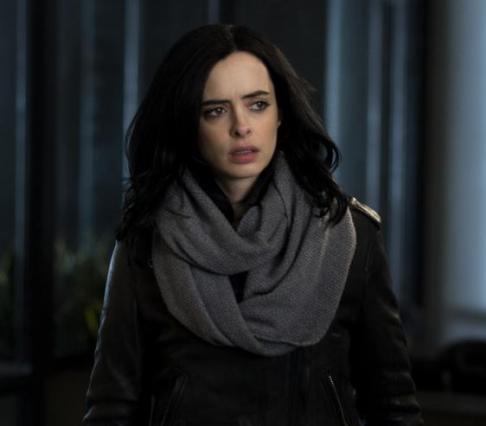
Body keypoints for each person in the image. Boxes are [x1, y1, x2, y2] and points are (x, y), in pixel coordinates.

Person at [82, 24, 423, 425]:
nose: (241, 126)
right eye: (215, 110)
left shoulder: (349, 236)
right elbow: (111, 409)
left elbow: (394, 407)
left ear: (281, 114)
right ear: (188, 124)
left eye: (258, 104)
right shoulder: (147, 242)